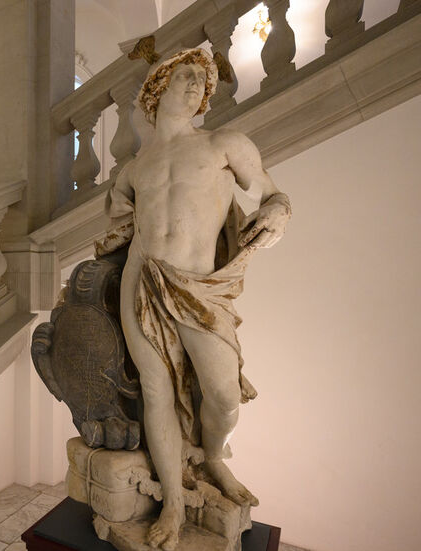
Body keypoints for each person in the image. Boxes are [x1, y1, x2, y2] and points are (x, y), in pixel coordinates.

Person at [102, 48, 291, 550]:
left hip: (201, 288)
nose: (196, 87)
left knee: (224, 395)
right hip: (143, 283)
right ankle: (173, 504)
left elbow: (272, 194)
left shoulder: (223, 144)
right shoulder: (133, 170)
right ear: (157, 87)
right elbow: (121, 225)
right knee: (156, 391)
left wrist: (278, 212)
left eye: (202, 83)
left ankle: (213, 457)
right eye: (185, 76)